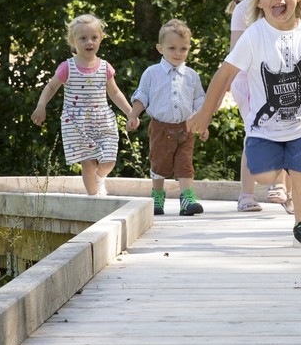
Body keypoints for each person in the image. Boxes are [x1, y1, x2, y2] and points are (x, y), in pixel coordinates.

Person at [189, 0, 301, 248]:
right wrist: (205, 113)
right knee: (264, 177)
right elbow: (224, 74)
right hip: (263, 129)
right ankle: (280, 166)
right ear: (259, 2)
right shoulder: (254, 36)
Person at [31, 14, 134, 197]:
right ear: (73, 41)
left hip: (103, 121)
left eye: (94, 37)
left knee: (109, 161)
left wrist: (130, 112)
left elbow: (115, 93)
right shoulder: (67, 67)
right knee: (88, 163)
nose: (89, 42)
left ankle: (99, 178)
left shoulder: (105, 67)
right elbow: (51, 86)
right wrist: (41, 105)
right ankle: (93, 197)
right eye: (83, 38)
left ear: (100, 39)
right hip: (77, 124)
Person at [227, 0, 293, 214]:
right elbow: (235, 52)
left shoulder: (286, 4)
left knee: (289, 130)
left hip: (283, 79)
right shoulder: (243, 10)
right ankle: (247, 193)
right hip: (250, 81)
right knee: (255, 132)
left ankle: (283, 188)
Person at [126, 19, 208, 217]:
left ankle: (187, 198)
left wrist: (203, 124)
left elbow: (199, 101)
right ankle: (157, 196)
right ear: (160, 48)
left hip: (187, 127)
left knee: (185, 163)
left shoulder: (191, 75)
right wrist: (133, 115)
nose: (178, 53)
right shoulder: (152, 73)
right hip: (160, 128)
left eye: (183, 48)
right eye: (172, 48)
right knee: (159, 162)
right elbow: (142, 96)